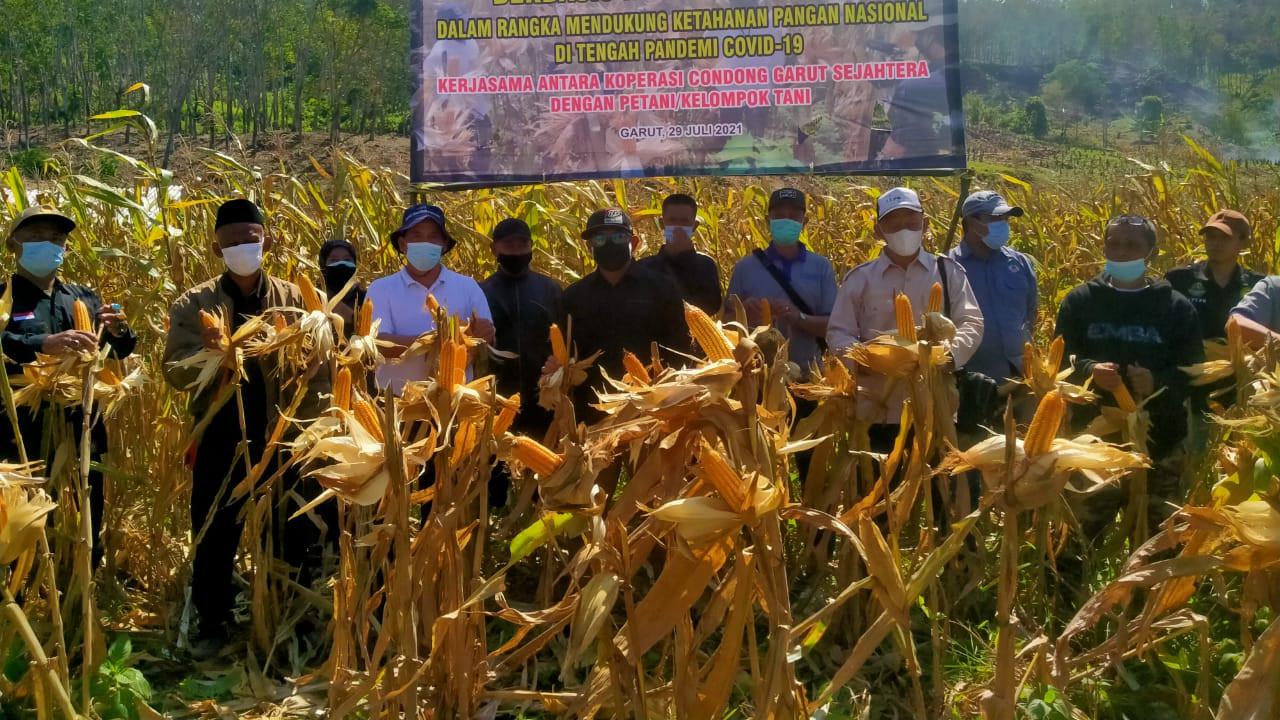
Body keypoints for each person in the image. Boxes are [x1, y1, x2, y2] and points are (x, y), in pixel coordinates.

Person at [162, 199, 332, 653]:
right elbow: (174, 371)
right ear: (218, 249)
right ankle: (213, 623)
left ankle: (287, 618)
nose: (242, 247)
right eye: (231, 242)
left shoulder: (296, 299)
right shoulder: (193, 304)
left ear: (267, 241)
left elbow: (319, 367)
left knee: (289, 531)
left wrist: (309, 428)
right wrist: (216, 358)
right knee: (215, 530)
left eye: (249, 239)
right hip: (221, 436)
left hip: (282, 434)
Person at [0, 206, 136, 568]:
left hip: (81, 420)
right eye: (37, 237)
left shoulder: (82, 298)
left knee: (84, 500)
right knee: (23, 509)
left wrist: (120, 330)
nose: (49, 244)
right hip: (20, 425)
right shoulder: (4, 295)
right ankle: (23, 581)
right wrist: (43, 343)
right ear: (14, 243)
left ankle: (81, 581)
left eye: (57, 239)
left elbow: (119, 349)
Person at [1055, 215, 1203, 539]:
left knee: (1160, 539)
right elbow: (1061, 359)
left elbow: (1194, 370)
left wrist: (1157, 382)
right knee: (1078, 537)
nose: (1121, 251)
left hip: (1160, 443)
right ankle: (1068, 590)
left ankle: (1149, 591)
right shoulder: (1080, 301)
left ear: (1151, 252)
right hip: (1093, 441)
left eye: (1132, 245)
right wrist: (1089, 371)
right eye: (1114, 243)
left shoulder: (1175, 307)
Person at [828, 187, 983, 452]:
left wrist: (946, 356)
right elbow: (838, 332)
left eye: (910, 221)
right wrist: (864, 360)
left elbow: (971, 321)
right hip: (877, 409)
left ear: (925, 224)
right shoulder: (860, 279)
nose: (903, 229)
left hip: (936, 406)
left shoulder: (948, 272)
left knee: (937, 487)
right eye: (893, 222)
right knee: (879, 486)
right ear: (878, 231)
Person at [556, 208, 688, 421]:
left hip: (652, 410)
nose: (609, 244)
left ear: (634, 243)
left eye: (618, 237)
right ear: (589, 247)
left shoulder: (662, 288)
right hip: (593, 412)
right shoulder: (574, 296)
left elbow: (680, 349)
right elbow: (565, 355)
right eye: (599, 239)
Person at [366, 203, 493, 394]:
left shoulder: (468, 287)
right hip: (398, 403)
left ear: (443, 245)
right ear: (402, 244)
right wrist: (435, 340)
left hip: (454, 400)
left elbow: (486, 342)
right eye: (416, 235)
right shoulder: (381, 289)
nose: (425, 242)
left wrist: (485, 337)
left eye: (433, 236)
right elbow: (380, 344)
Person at [480, 218, 562, 506]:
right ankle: (496, 519)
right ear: (494, 249)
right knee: (496, 466)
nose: (516, 251)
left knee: (541, 464)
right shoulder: (482, 292)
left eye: (522, 244)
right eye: (508, 245)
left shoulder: (550, 289)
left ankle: (539, 513)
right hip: (500, 394)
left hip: (542, 391)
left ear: (531, 248)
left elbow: (562, 336)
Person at [725, 188, 837, 379]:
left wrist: (798, 317)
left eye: (793, 216)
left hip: (807, 378)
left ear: (805, 222)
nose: (787, 220)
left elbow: (834, 326)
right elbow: (725, 323)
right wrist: (743, 314)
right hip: (756, 377)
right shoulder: (745, 267)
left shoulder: (821, 267)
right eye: (779, 215)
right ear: (768, 221)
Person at [948, 190, 1035, 383]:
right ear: (972, 223)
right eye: (996, 218)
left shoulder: (1020, 263)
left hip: (1022, 375)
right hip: (971, 381)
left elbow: (1030, 314)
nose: (1004, 224)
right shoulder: (948, 267)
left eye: (1006, 218)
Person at [1165, 210, 1263, 341]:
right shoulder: (1179, 279)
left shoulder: (1258, 285)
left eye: (1225, 237)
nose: (1216, 243)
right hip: (1190, 360)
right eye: (1211, 237)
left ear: (1244, 242)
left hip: (1244, 360)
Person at [638, 193, 722, 315]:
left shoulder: (706, 265)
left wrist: (685, 257)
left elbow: (711, 306)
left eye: (684, 221)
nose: (678, 227)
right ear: (662, 224)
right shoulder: (645, 267)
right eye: (672, 220)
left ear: (694, 226)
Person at [317, 238, 366, 337]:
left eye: (347, 260)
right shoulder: (315, 295)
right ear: (323, 265)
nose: (341, 264)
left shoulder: (365, 297)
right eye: (333, 260)